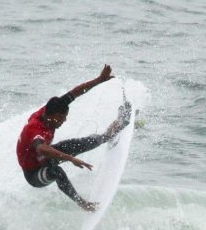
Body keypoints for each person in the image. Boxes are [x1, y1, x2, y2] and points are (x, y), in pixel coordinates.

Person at [16, 64, 132, 211]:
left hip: (45, 157)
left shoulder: (53, 108)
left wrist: (100, 79)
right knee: (56, 171)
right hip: (34, 173)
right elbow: (42, 148)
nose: (63, 121)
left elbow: (76, 92)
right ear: (52, 116)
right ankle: (82, 204)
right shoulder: (35, 128)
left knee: (82, 143)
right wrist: (70, 158)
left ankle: (115, 128)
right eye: (61, 118)